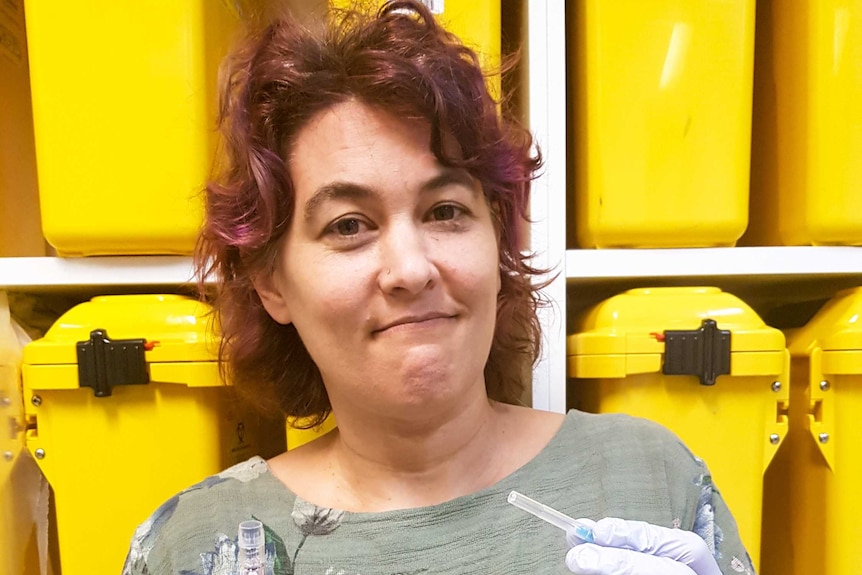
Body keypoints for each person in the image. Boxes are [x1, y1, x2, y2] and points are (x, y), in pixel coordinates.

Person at [122, 1, 756, 574]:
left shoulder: (652, 480)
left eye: (445, 211)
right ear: (271, 284)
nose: (411, 268)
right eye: (349, 225)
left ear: (496, 234)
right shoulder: (195, 544)